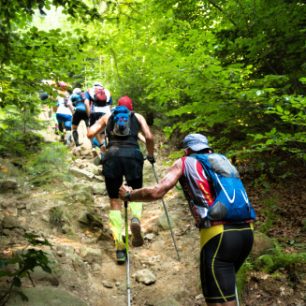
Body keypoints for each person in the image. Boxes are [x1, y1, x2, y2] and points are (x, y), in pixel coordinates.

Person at [119, 133, 255, 305]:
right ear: (207, 146)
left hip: (218, 236)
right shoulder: (223, 161)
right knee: (227, 294)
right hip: (246, 233)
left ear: (187, 150)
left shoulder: (184, 162)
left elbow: (156, 191)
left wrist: (130, 195)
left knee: (218, 301)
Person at [87, 95, 155, 264]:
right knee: (135, 194)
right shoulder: (137, 117)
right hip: (133, 156)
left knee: (114, 201)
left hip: (112, 156)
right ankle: (135, 219)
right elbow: (149, 137)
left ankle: (119, 246)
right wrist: (150, 155)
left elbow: (90, 133)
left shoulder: (108, 116)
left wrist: (102, 146)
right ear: (131, 108)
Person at [84, 82, 112, 149]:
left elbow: (86, 103)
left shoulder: (89, 91)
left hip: (95, 112)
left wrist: (89, 114)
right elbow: (110, 105)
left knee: (94, 129)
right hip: (106, 112)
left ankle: (96, 146)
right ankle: (105, 147)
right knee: (103, 131)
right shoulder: (107, 92)